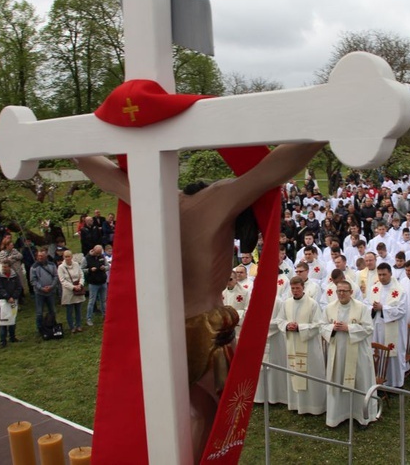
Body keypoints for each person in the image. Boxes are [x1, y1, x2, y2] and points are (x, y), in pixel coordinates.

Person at [76, 141, 326, 456]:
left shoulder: (155, 200)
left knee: (188, 416)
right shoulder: (219, 199)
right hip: (206, 328)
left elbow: (104, 174)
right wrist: (319, 134)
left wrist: (72, 144)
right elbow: (270, 171)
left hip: (162, 331)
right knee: (210, 421)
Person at [321, 279, 377, 428]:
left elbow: (369, 328)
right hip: (337, 353)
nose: (341, 293)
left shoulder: (362, 308)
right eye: (338, 290)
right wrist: (332, 328)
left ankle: (362, 416)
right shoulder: (329, 308)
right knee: (337, 382)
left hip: (357, 353)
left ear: (351, 292)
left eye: (344, 291)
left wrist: (349, 328)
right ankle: (337, 416)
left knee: (359, 381)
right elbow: (322, 326)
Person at [276, 276, 326, 415]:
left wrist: (300, 327)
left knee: (311, 375)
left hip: (309, 346)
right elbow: (280, 320)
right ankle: (296, 404)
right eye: (293, 288)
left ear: (303, 288)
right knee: (294, 373)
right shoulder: (286, 303)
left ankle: (313, 406)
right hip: (292, 345)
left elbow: (318, 325)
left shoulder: (312, 304)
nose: (295, 291)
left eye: (298, 288)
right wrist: (287, 325)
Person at [364, 262, 407, 387]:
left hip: (392, 328)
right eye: (379, 274)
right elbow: (366, 304)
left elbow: (401, 310)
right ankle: (377, 380)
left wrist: (383, 308)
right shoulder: (374, 288)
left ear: (390, 274)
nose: (382, 277)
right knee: (376, 353)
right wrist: (372, 308)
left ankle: (394, 383)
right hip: (376, 326)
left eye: (384, 274)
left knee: (391, 353)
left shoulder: (400, 291)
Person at [30, 248, 59, 334]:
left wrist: (51, 286)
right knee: (39, 312)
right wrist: (41, 288)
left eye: (42, 256)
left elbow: (56, 276)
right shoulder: (34, 267)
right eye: (39, 256)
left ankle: (53, 324)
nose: (40, 258)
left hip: (50, 292)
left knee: (52, 310)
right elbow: (33, 280)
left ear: (46, 256)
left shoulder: (52, 265)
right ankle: (40, 328)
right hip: (39, 293)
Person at [0, 261, 23, 348]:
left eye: (5, 267)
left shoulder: (15, 276)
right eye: (3, 267)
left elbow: (19, 287)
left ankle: (12, 337)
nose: (4, 269)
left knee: (12, 318)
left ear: (9, 267)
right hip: (3, 301)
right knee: (3, 321)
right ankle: (3, 340)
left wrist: (14, 296)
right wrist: (7, 297)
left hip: (13, 301)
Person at [58, 250, 86, 334]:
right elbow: (62, 281)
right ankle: (72, 326)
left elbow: (81, 275)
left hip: (78, 288)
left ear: (72, 256)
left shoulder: (76, 264)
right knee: (69, 311)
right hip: (68, 291)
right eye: (65, 257)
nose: (67, 258)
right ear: (63, 257)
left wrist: (80, 284)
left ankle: (79, 325)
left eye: (68, 256)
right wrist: (73, 287)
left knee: (78, 309)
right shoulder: (61, 267)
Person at [84, 245, 108, 326]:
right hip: (93, 283)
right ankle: (89, 318)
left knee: (103, 300)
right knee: (91, 301)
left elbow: (108, 266)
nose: (98, 255)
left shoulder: (102, 256)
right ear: (93, 250)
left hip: (102, 281)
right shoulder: (86, 258)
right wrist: (90, 270)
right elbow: (81, 269)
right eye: (97, 253)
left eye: (99, 253)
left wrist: (104, 268)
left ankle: (105, 316)